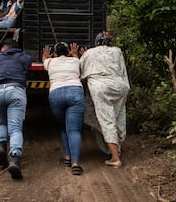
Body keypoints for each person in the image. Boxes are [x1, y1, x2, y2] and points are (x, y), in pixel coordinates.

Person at [80, 30, 130, 168]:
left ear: (96, 43)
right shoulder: (117, 51)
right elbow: (121, 69)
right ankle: (117, 147)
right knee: (118, 117)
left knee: (106, 119)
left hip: (100, 87)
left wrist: (81, 55)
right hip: (120, 86)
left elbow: (81, 69)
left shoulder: (89, 53)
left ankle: (115, 158)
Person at [0, 38, 31, 179]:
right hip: (16, 90)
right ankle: (14, 158)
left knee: (3, 122)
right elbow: (27, 66)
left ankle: (1, 146)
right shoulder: (24, 57)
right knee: (15, 129)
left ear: (3, 48)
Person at [42, 42, 85, 175]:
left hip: (56, 93)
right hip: (75, 92)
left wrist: (45, 55)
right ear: (68, 52)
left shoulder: (50, 62)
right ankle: (76, 164)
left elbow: (44, 60)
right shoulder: (75, 61)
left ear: (54, 54)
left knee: (63, 127)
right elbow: (78, 61)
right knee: (74, 130)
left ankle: (67, 157)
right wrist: (74, 54)